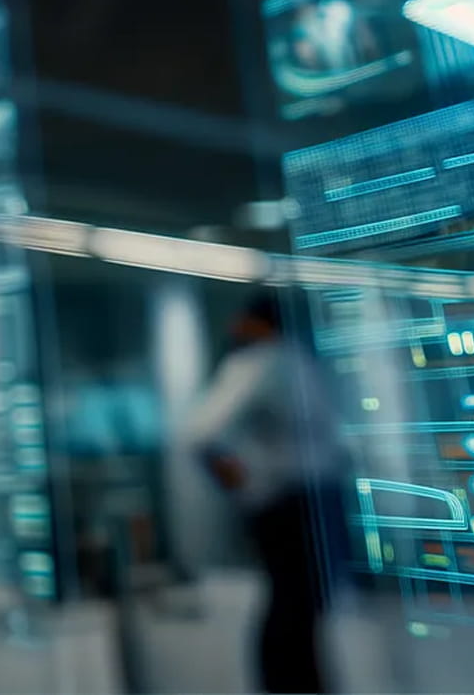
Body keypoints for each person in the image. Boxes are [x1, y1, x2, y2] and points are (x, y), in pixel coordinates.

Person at [181, 292, 350, 695]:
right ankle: (288, 684)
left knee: (305, 604)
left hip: (306, 498)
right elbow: (200, 434)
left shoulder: (281, 360)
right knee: (293, 602)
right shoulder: (259, 363)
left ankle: (303, 682)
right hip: (286, 502)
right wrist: (246, 485)